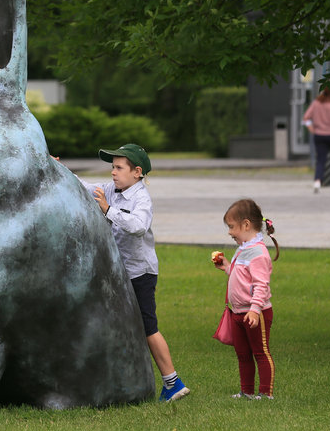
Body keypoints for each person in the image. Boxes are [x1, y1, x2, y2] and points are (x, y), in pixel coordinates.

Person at [76, 143, 190, 402]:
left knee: (148, 327)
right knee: (117, 323)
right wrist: (55, 166)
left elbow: (138, 226)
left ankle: (172, 382)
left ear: (137, 172)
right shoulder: (111, 190)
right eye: (112, 167)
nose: (113, 172)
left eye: (119, 168)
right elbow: (81, 185)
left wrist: (107, 210)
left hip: (140, 273)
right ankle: (120, 379)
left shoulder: (141, 198)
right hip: (119, 272)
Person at [214, 198, 278, 400]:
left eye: (232, 227)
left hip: (255, 313)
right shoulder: (243, 249)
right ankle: (247, 391)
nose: (230, 232)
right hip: (238, 311)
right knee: (242, 354)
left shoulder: (258, 252)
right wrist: (227, 267)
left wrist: (255, 309)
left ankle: (265, 393)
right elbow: (242, 276)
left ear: (246, 224)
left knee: (260, 352)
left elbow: (261, 284)